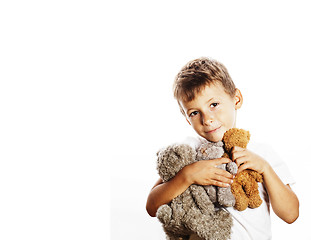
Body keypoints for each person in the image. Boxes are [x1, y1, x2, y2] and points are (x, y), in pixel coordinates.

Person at [145, 57, 299, 239]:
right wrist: (188, 175)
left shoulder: (261, 154)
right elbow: (152, 206)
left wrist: (265, 169)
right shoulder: (190, 150)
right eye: (194, 113)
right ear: (187, 119)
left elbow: (291, 214)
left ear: (237, 99)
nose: (207, 119)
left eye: (214, 105)